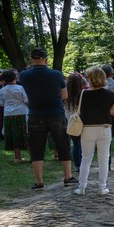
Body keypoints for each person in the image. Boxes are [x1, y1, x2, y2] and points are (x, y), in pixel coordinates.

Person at [20, 48, 77, 190]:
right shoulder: (56, 74)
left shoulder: (24, 75)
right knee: (63, 144)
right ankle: (67, 177)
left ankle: (39, 182)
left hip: (35, 114)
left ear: (31, 59)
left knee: (36, 149)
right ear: (46, 59)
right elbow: (64, 96)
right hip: (56, 113)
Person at [74, 66, 114, 195]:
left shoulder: (83, 94)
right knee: (104, 159)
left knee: (86, 158)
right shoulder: (109, 94)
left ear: (89, 78)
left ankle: (82, 187)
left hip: (87, 128)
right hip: (104, 127)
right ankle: (102, 187)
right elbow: (111, 110)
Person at [0, 69, 29, 162]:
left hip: (8, 114)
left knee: (13, 135)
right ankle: (33, 156)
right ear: (15, 77)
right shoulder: (21, 88)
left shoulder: (2, 90)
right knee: (25, 134)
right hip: (22, 112)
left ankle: (17, 157)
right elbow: (26, 100)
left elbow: (1, 103)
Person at [64, 73, 85, 172]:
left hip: (69, 120)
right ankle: (82, 164)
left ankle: (77, 165)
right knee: (81, 143)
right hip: (81, 120)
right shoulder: (82, 94)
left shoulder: (65, 94)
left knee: (75, 144)